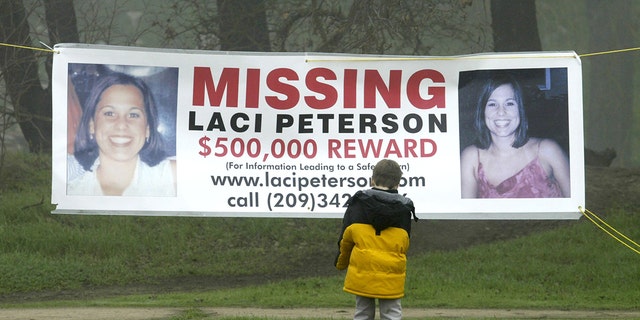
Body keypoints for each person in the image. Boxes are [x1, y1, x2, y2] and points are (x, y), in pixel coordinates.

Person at [460, 73, 570, 198]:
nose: (501, 112)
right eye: (492, 104)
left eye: (510, 103)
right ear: (482, 111)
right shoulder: (471, 158)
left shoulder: (548, 150)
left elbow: (578, 208)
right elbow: (468, 215)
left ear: (521, 109)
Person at [68, 72, 176, 196]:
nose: (121, 124)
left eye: (133, 115)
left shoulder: (173, 178)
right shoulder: (70, 189)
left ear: (147, 129)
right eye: (109, 113)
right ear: (92, 125)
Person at [335, 159, 417, 320]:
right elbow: (404, 243)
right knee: (392, 314)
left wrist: (341, 263)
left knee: (362, 313)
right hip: (391, 275)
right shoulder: (404, 209)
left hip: (362, 273)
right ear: (398, 184)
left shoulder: (357, 204)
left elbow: (345, 240)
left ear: (372, 179)